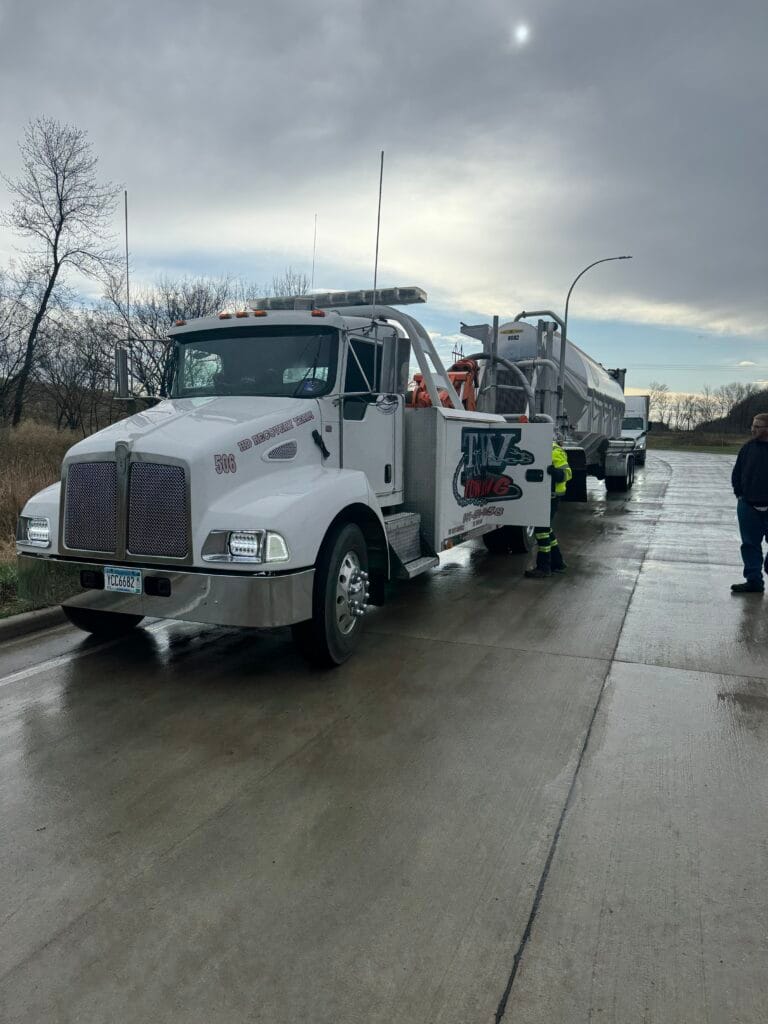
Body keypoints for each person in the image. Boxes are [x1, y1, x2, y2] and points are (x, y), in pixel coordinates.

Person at [731, 412, 768, 593]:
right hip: (748, 505)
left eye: (757, 426)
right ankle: (754, 580)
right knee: (749, 544)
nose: (753, 429)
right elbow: (737, 472)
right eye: (752, 425)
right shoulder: (747, 448)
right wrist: (739, 494)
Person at [525, 437, 572, 579]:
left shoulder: (554, 451)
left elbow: (568, 473)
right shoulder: (541, 448)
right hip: (546, 496)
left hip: (551, 497)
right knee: (546, 530)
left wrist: (557, 474)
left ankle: (543, 568)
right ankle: (557, 563)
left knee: (542, 531)